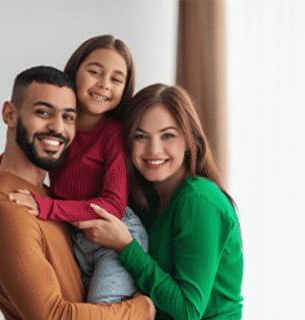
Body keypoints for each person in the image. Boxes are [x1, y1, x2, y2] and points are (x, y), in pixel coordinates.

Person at [0, 35, 148, 304]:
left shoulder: (113, 134)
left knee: (103, 308)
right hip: (75, 232)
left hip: (112, 235)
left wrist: (48, 208)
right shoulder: (62, 128)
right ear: (75, 73)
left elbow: (112, 205)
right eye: (94, 72)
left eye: (116, 79)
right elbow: (0, 162)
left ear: (125, 88)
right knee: (75, 303)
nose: (104, 84)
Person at [73, 84, 244, 319]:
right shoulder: (148, 200)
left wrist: (126, 246)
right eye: (141, 136)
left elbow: (189, 310)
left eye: (168, 135)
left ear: (190, 140)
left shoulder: (198, 199)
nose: (154, 149)